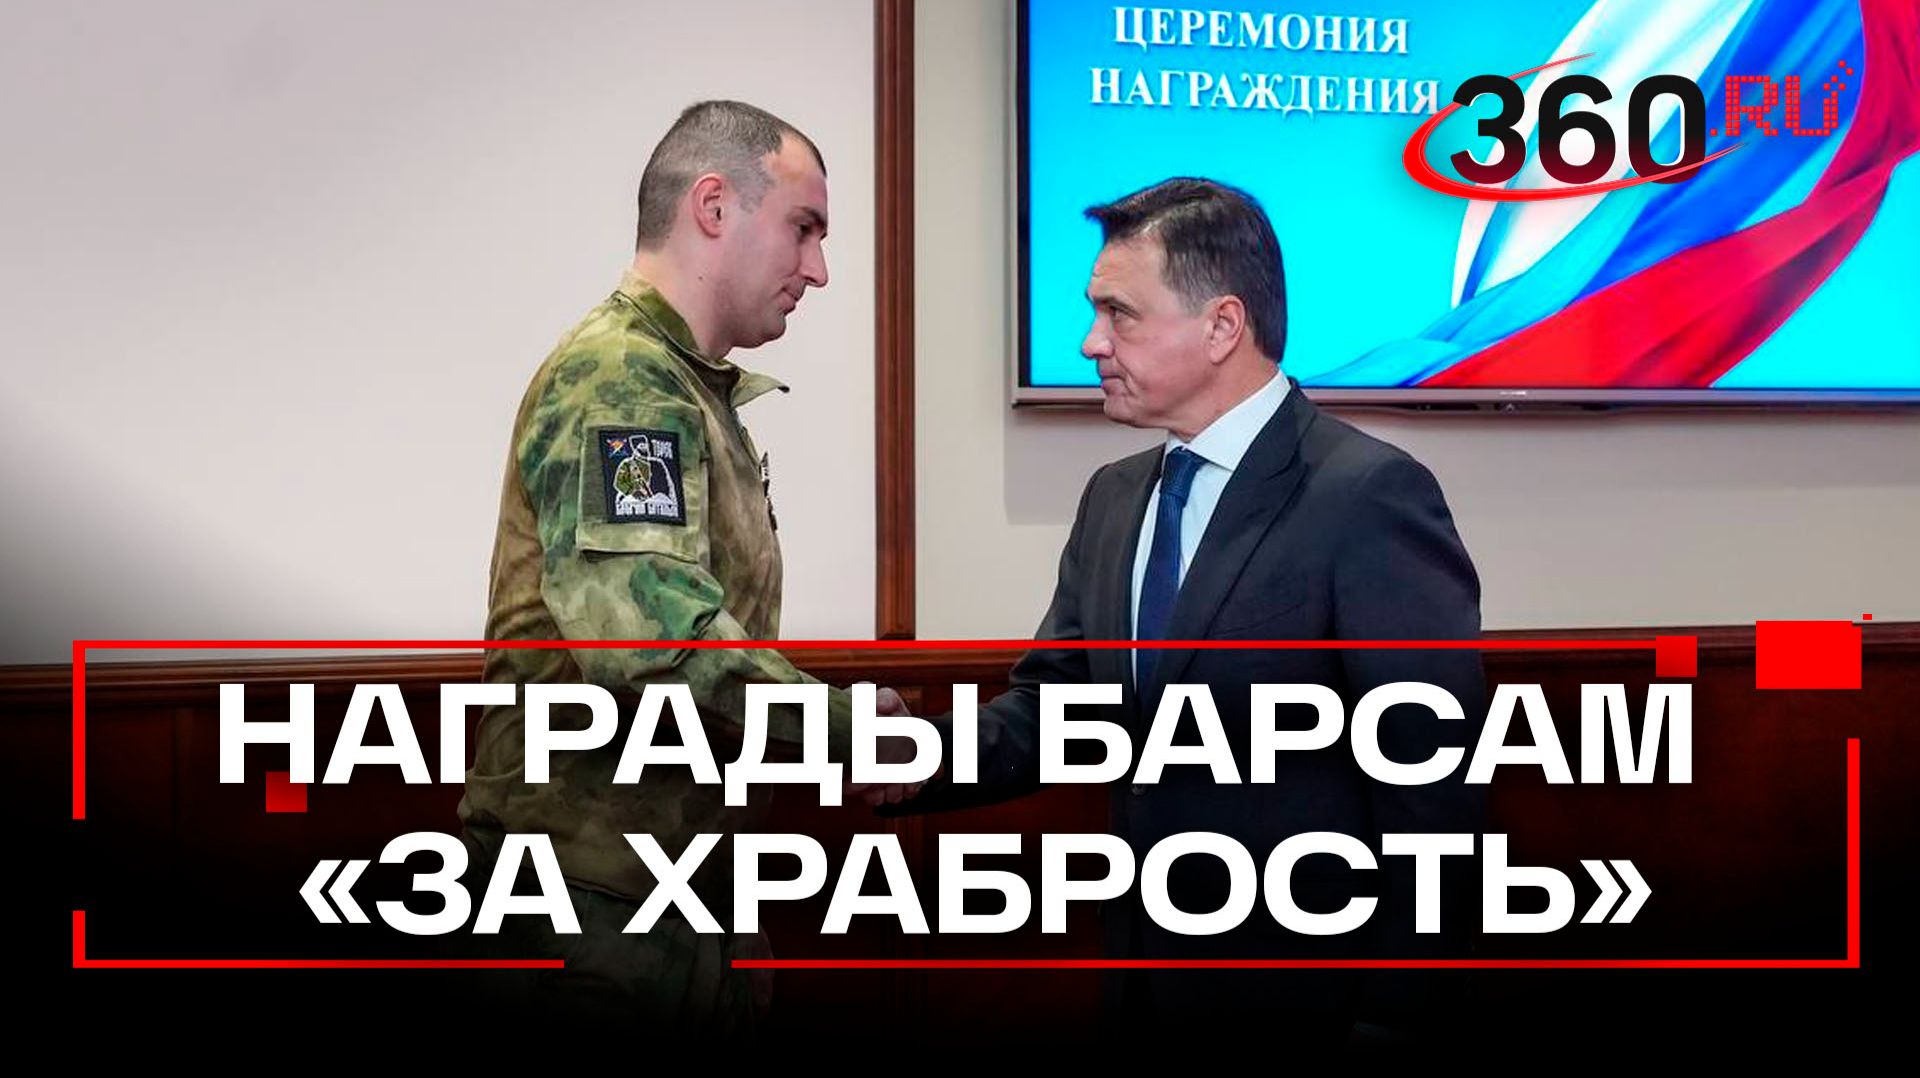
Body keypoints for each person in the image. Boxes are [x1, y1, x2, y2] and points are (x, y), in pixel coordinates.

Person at [894, 178, 1487, 1048]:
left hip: (1310, 1006)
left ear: (1222, 326)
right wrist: (908, 755)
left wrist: (1397, 1013)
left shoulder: (1368, 495)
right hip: (1145, 987)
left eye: (1119, 314)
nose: (1092, 342)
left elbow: (1432, 786)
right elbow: (1062, 714)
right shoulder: (1114, 498)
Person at [458, 99, 905, 1032]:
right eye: (804, 229)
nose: (818, 269)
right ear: (713, 205)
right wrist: (850, 728)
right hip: (590, 914)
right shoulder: (620, 379)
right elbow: (654, 646)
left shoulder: (680, 386)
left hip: (656, 901)